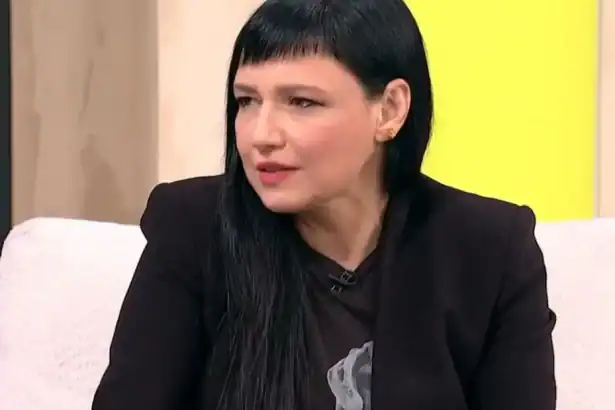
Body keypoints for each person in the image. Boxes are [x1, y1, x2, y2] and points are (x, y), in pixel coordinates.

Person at [92, 0, 556, 409]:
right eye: (247, 101)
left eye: (301, 102)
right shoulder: (193, 229)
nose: (261, 135)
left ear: (390, 110)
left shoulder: (489, 249)